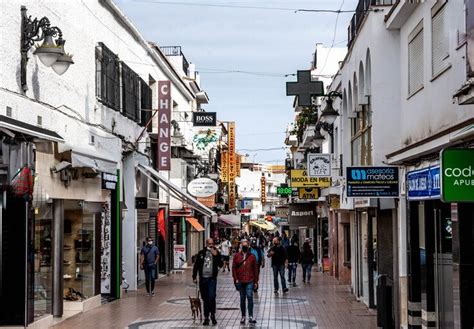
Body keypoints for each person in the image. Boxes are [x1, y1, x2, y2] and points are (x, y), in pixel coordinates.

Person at [193, 238, 223, 326]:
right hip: (203, 279)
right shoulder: (201, 253)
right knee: (205, 299)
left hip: (212, 279)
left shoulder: (216, 252)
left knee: (211, 297)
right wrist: (194, 276)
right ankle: (206, 317)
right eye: (209, 243)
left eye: (212, 243)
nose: (211, 245)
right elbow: (196, 265)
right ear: (206, 244)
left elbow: (220, 264)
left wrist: (216, 255)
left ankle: (213, 315)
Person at [232, 239, 258, 325]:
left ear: (248, 246)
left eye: (246, 245)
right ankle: (243, 316)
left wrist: (256, 281)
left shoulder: (252, 256)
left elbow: (255, 270)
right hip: (240, 280)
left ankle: (250, 316)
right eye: (243, 245)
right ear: (241, 246)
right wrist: (235, 279)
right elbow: (234, 268)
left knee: (250, 297)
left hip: (249, 279)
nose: (244, 246)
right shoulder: (237, 256)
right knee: (242, 298)